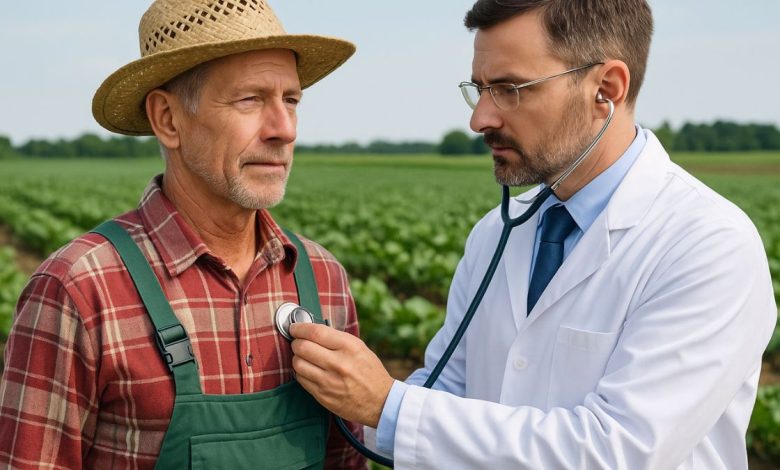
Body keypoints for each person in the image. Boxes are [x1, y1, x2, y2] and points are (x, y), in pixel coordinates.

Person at [288, 0, 777, 468]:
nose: (480, 118)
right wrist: (329, 396)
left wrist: (387, 405)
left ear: (606, 88)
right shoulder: (494, 234)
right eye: (478, 88)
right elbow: (446, 389)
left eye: (510, 89)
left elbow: (617, 454)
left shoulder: (708, 245)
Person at [0, 0, 366, 468]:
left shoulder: (323, 277)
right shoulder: (79, 289)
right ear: (168, 120)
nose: (285, 128)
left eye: (290, 99)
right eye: (250, 100)